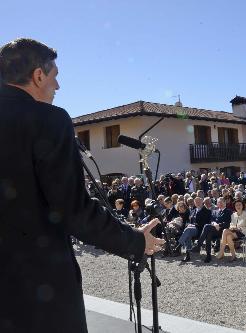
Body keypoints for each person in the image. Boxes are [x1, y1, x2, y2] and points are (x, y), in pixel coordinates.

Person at [0, 38, 165, 333]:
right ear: (38, 75)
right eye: (55, 76)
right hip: (37, 292)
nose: (58, 86)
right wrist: (135, 241)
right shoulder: (47, 120)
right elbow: (72, 210)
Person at [193, 197, 232, 263]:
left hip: (223, 231)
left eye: (222, 202)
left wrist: (219, 225)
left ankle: (199, 245)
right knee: (208, 232)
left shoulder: (229, 211)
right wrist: (214, 224)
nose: (221, 203)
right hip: (214, 230)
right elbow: (211, 221)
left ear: (225, 203)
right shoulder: (214, 211)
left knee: (206, 226)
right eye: (219, 202)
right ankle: (208, 255)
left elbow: (228, 223)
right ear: (217, 204)